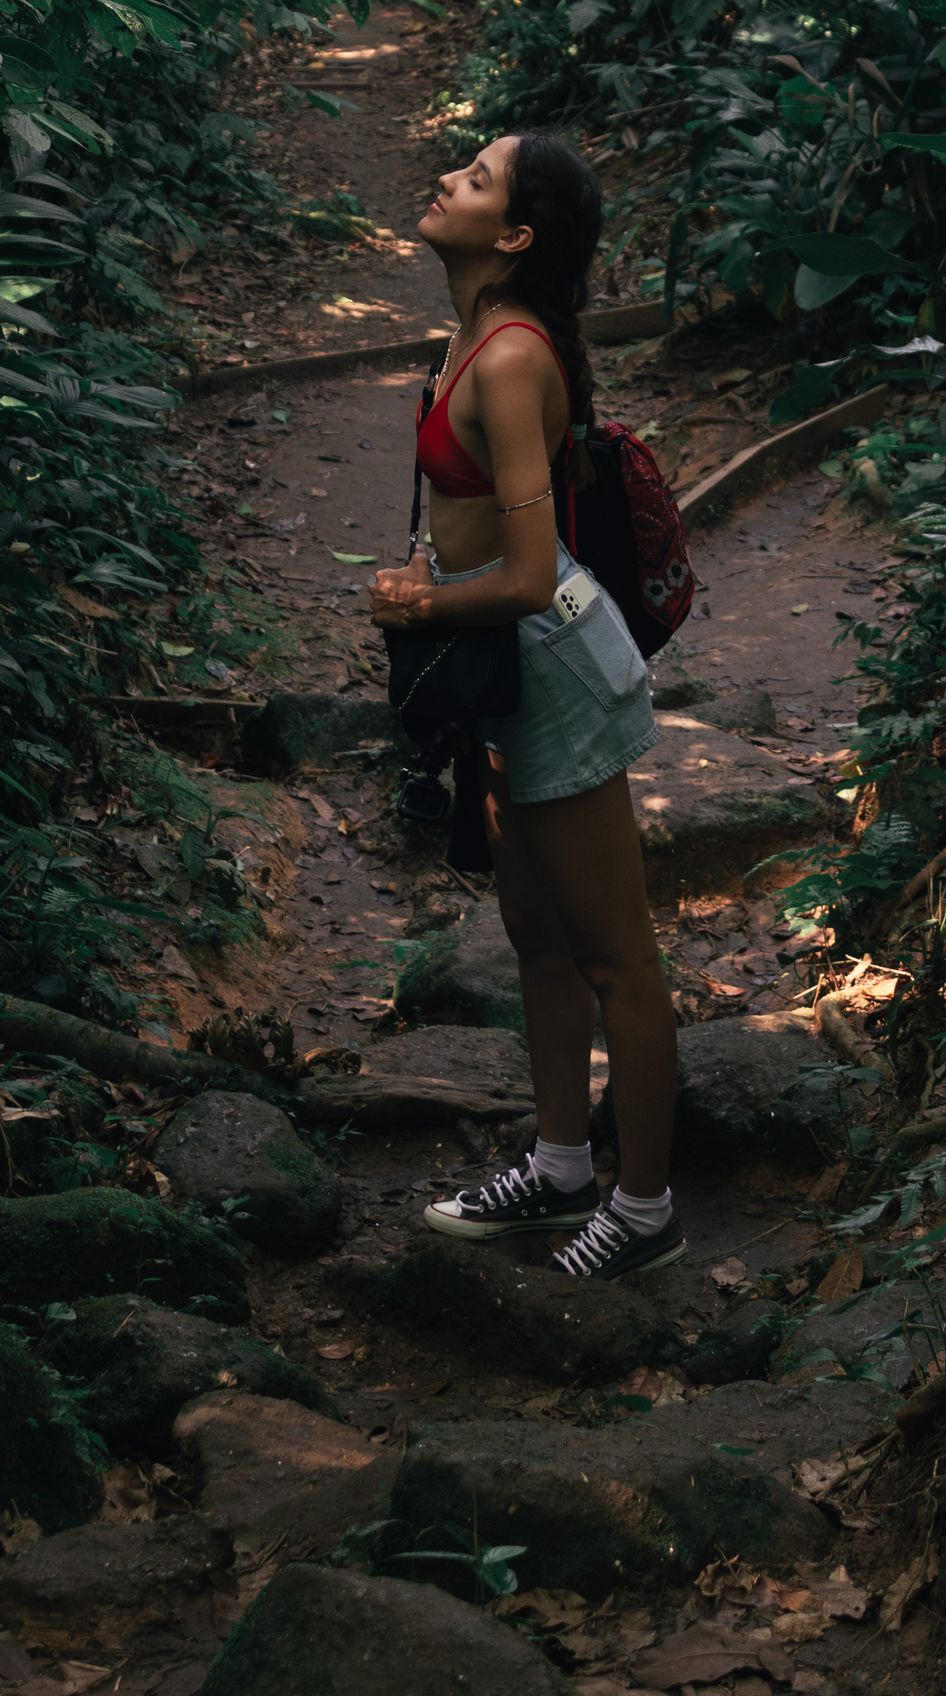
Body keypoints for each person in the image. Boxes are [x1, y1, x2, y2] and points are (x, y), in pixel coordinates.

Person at [369, 129, 684, 1281]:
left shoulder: (506, 359)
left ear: (512, 236)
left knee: (617, 958)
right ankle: (560, 1168)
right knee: (536, 941)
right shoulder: (471, 335)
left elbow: (528, 572)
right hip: (503, 666)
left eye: (479, 176)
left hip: (545, 665)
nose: (449, 174)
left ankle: (644, 1211)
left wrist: (417, 603)